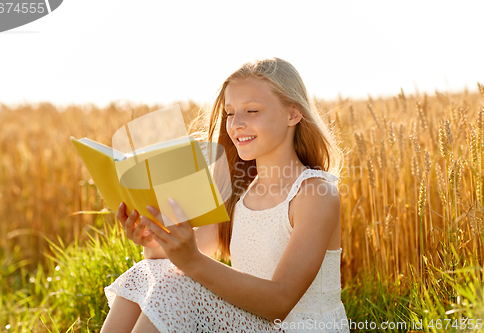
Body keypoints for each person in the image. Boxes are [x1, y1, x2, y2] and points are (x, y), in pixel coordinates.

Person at [101, 57, 350, 333]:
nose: (236, 124)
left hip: (299, 328)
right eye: (230, 113)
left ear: (293, 114)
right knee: (148, 274)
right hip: (255, 324)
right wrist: (153, 239)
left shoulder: (316, 194)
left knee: (177, 289)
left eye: (252, 111)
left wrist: (192, 260)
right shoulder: (238, 191)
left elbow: (280, 302)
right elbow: (186, 253)